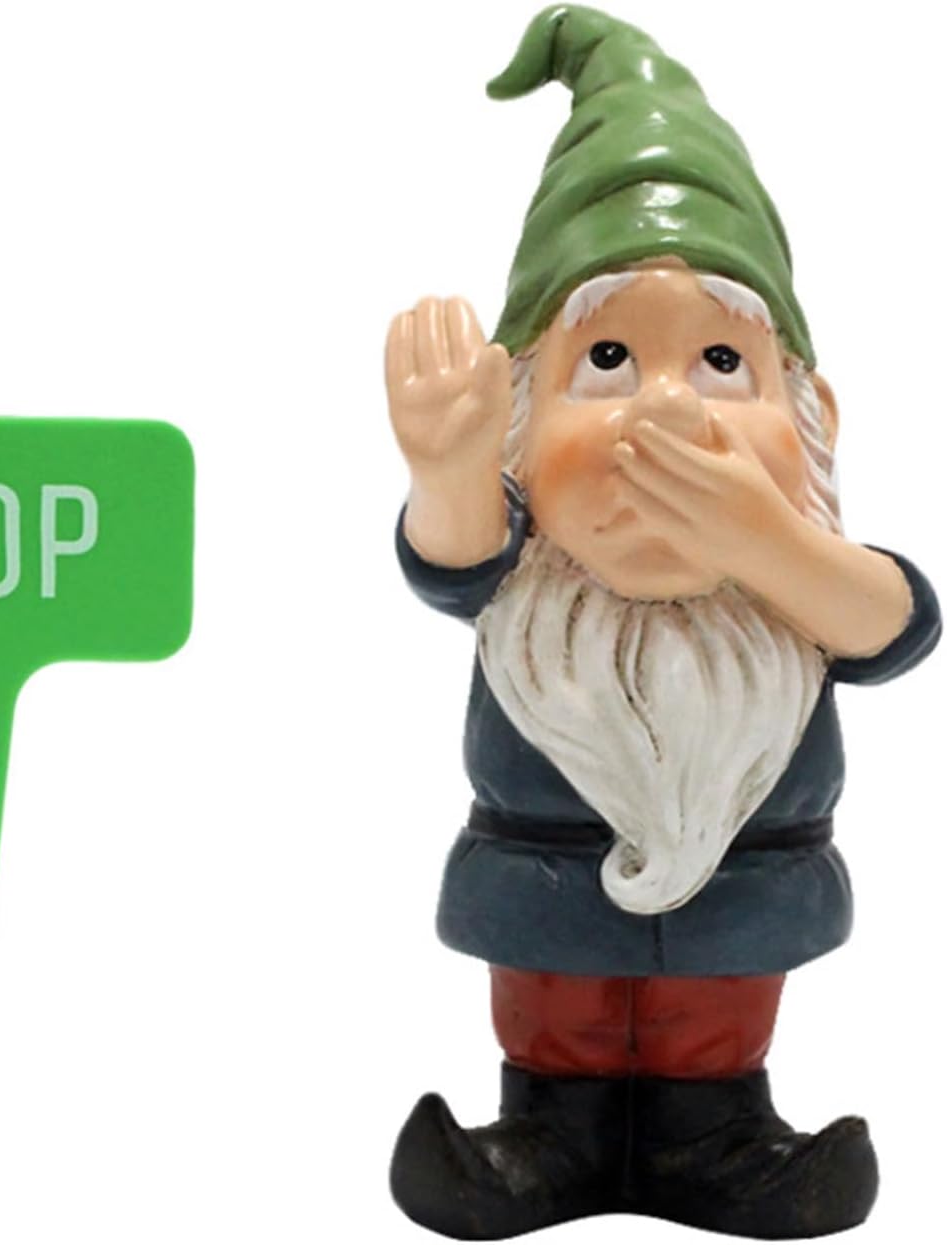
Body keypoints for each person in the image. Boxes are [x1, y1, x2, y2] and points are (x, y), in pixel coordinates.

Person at [383, 7, 941, 1240]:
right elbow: (452, 562)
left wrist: (762, 542)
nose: (664, 416)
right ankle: (550, 1129)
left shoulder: (802, 583)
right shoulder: (525, 571)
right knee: (556, 1003)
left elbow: (894, 625)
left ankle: (714, 1131)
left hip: (746, 872)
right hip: (542, 867)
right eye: (607, 360)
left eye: (721, 366)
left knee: (713, 1010)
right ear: (519, 415)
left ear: (811, 418)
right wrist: (448, 473)